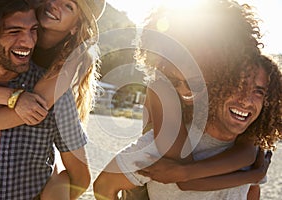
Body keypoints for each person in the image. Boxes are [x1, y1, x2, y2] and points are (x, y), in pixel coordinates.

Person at [93, 1, 282, 199]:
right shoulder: (163, 92)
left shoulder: (240, 119)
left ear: (222, 66)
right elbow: (184, 179)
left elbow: (247, 154)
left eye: (198, 74)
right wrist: (254, 174)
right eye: (176, 78)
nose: (185, 89)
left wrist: (255, 175)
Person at [0, 0, 105, 199]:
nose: (56, 4)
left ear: (76, 27)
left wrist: (56, 185)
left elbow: (35, 106)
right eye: (15, 31)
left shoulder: (74, 56)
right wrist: (12, 97)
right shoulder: (18, 14)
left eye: (69, 6)